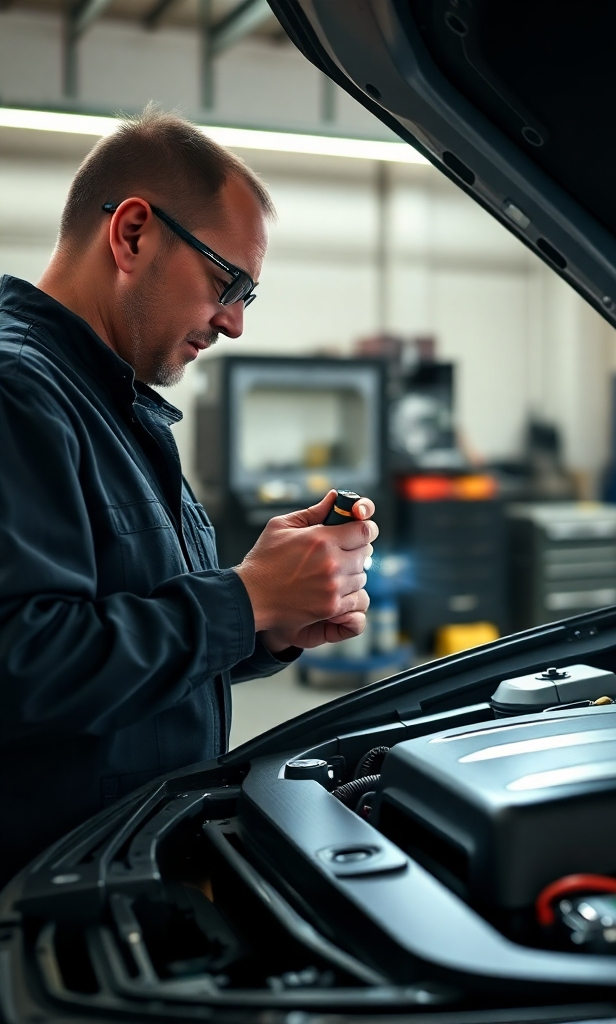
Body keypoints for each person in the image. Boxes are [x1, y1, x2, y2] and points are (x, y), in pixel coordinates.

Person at [0, 108, 376, 889]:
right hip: (44, 898)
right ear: (133, 234)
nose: (234, 323)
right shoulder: (18, 393)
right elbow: (20, 665)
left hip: (123, 872)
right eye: (226, 281)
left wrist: (268, 622)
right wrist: (241, 597)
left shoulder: (116, 406)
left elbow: (124, 644)